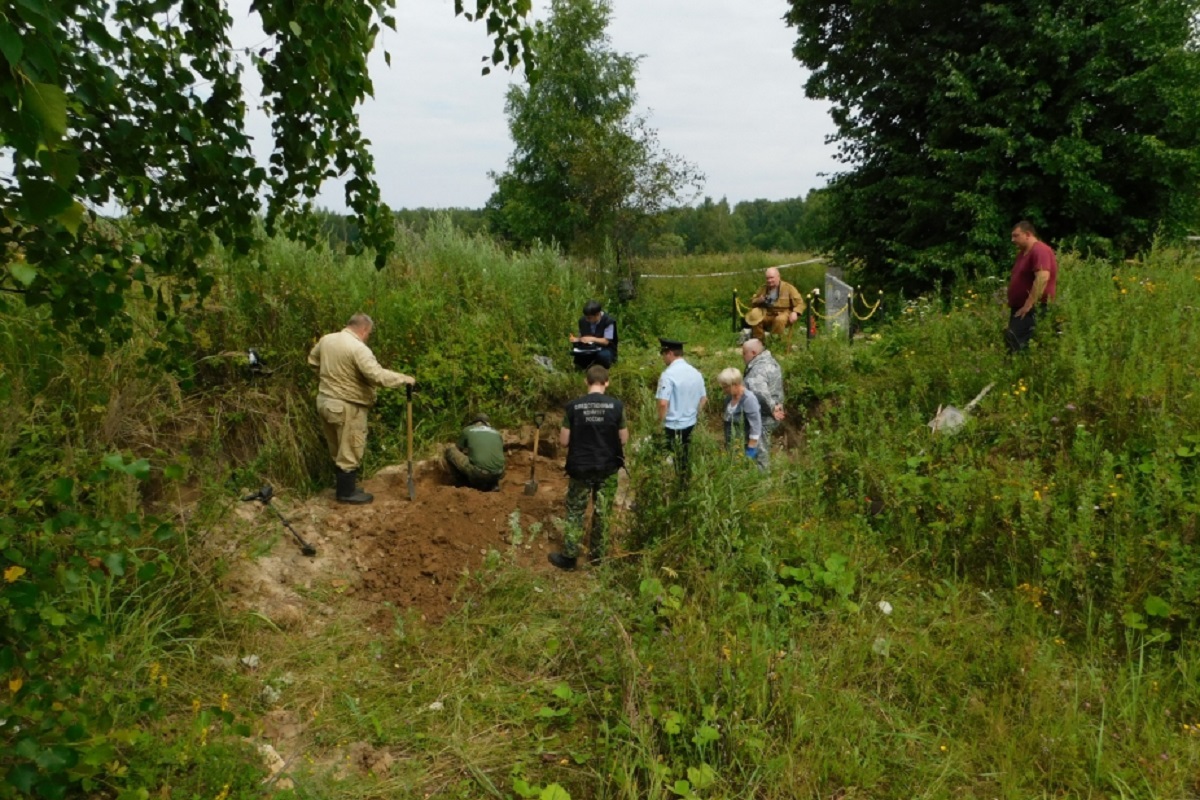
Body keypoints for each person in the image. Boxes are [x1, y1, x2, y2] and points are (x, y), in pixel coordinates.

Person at [308, 313, 415, 505]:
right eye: (369, 333)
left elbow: (313, 362)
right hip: (348, 405)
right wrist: (404, 379)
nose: (368, 337)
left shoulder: (327, 340)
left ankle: (346, 488)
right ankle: (346, 494)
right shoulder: (358, 348)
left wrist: (332, 379)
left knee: (338, 448)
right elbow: (377, 376)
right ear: (364, 329)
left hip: (325, 402)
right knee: (350, 449)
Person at [548, 365, 628, 571]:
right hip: (607, 467)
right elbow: (624, 439)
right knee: (602, 512)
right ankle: (597, 557)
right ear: (606, 382)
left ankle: (569, 557)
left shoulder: (573, 407)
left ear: (586, 381)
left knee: (575, 511)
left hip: (580, 467)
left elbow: (564, 441)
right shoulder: (616, 406)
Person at [656, 338, 707, 480]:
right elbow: (703, 399)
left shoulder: (668, 375)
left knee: (665, 460)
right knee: (684, 459)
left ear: (670, 353)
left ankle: (668, 488)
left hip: (672, 426)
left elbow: (663, 403)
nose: (663, 358)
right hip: (690, 424)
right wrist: (694, 415)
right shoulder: (696, 373)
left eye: (663, 354)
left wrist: (659, 424)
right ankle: (683, 486)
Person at [1005, 220, 1058, 353]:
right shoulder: (1023, 254)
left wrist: (1028, 304)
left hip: (1033, 307)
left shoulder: (1039, 250)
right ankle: (1023, 369)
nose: (1012, 240)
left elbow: (1043, 277)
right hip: (1021, 308)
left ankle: (1020, 371)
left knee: (1015, 342)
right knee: (1014, 342)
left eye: (1016, 235)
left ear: (1028, 234)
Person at [741, 338, 785, 469]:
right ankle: (751, 469)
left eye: (744, 353)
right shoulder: (770, 361)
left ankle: (762, 480)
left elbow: (760, 393)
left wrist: (773, 408)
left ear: (753, 352)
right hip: (766, 415)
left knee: (760, 451)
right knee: (755, 445)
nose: (742, 356)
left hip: (763, 417)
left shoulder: (758, 369)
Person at [444, 413, 506, 491]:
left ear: (475, 422)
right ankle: (493, 484)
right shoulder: (496, 432)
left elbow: (458, 449)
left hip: (479, 474)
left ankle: (462, 484)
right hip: (500, 473)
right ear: (487, 423)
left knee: (450, 451)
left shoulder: (468, 429)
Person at [716, 368, 763, 469]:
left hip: (743, 445)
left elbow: (756, 426)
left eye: (726, 387)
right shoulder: (729, 398)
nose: (724, 390)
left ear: (736, 384)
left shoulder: (749, 399)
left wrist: (750, 449)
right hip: (732, 445)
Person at [748, 267, 806, 341]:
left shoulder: (788, 288)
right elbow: (752, 302)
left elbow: (800, 303)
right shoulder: (763, 288)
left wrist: (795, 312)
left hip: (783, 313)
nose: (769, 280)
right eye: (767, 278)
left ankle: (775, 343)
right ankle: (758, 342)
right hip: (767, 312)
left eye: (772, 278)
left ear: (778, 276)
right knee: (754, 315)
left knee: (779, 320)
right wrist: (758, 300)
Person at [570, 299, 618, 369]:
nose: (587, 320)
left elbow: (606, 342)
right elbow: (581, 336)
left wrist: (592, 339)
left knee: (603, 356)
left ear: (597, 314)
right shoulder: (582, 321)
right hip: (588, 348)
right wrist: (577, 339)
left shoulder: (608, 321)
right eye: (586, 317)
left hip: (605, 348)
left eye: (589, 318)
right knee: (578, 355)